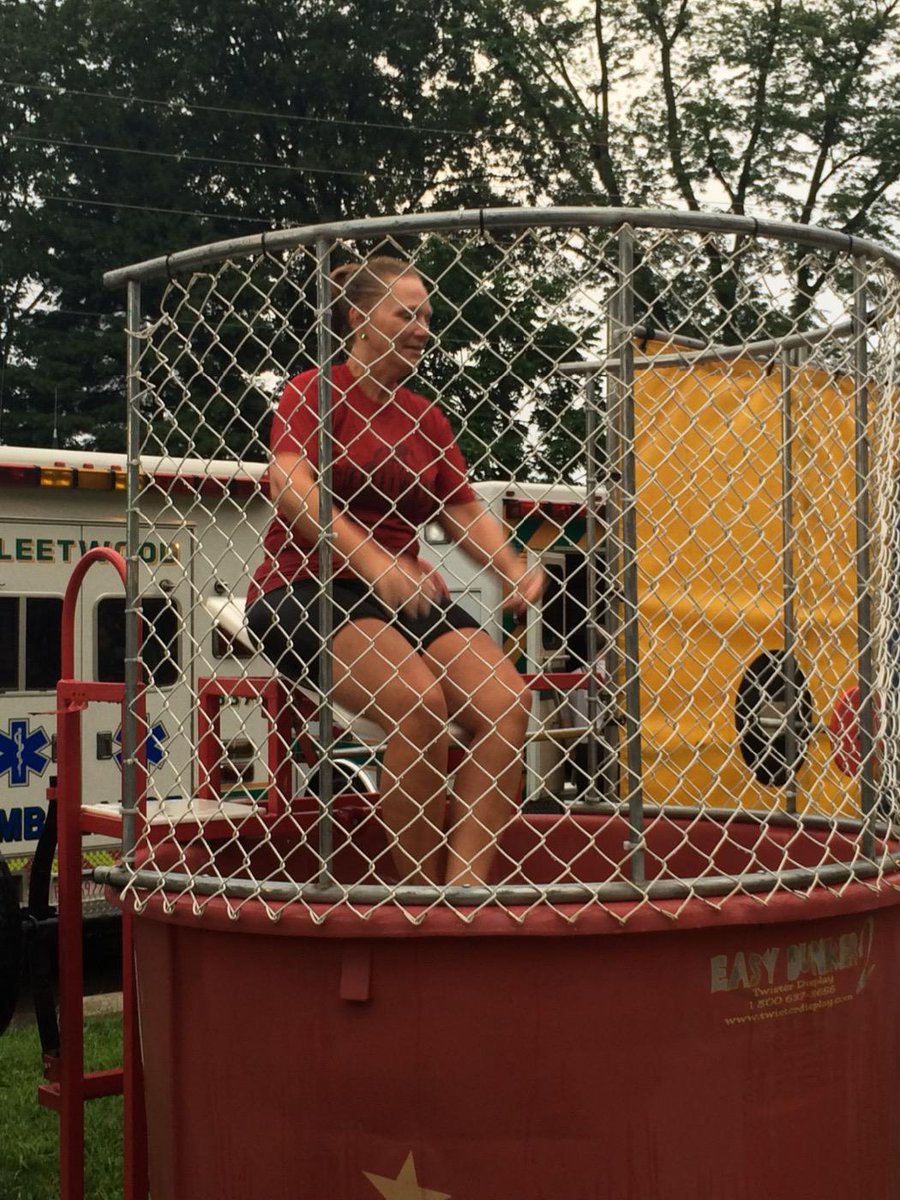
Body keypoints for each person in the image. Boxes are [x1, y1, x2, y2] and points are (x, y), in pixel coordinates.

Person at [246, 256, 544, 887]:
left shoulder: (425, 416)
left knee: (507, 703)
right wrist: (375, 560)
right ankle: (415, 898)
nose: (422, 329)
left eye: (428, 317)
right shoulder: (313, 390)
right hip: (304, 585)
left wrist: (513, 567)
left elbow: (463, 509)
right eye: (405, 314)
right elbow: (291, 488)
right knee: (418, 704)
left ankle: (461, 890)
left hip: (401, 592)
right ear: (359, 319)